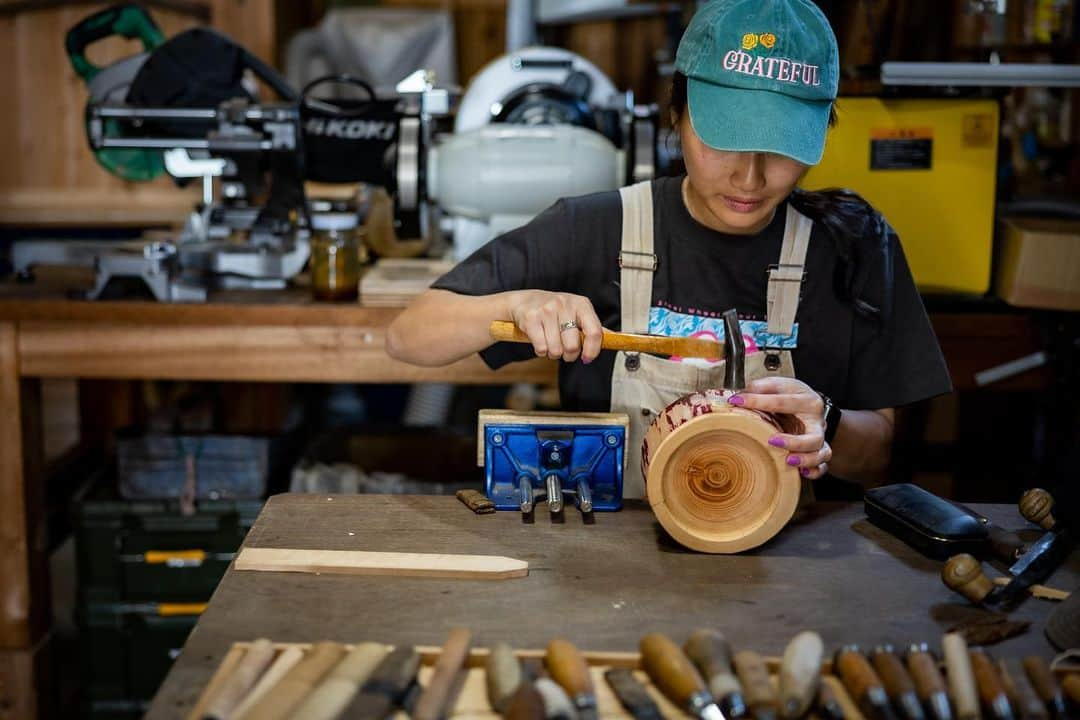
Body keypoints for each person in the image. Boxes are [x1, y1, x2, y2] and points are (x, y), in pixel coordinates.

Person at [387, 0, 952, 499]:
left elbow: (876, 456)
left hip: (791, 567)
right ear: (677, 114)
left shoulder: (853, 246)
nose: (750, 178)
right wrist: (512, 307)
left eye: (779, 149)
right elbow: (409, 336)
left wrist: (826, 424)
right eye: (724, 139)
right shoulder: (595, 227)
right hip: (611, 559)